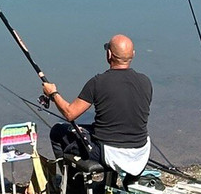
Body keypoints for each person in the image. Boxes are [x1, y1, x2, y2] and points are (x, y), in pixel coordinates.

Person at [40, 34, 153, 179]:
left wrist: (53, 94)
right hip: (140, 153)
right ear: (133, 55)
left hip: (108, 153)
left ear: (109, 54)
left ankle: (72, 186)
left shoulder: (98, 83)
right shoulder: (146, 82)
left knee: (57, 131)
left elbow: (70, 114)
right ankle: (112, 183)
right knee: (93, 128)